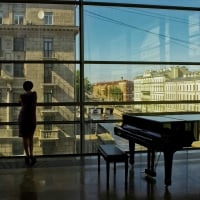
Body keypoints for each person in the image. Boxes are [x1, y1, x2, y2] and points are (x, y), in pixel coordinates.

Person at [18, 81, 37, 166]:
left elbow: (20, 103)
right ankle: (32, 154)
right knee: (30, 137)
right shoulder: (34, 95)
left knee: (25, 138)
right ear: (31, 87)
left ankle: (27, 156)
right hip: (32, 119)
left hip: (23, 118)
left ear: (24, 88)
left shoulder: (22, 96)